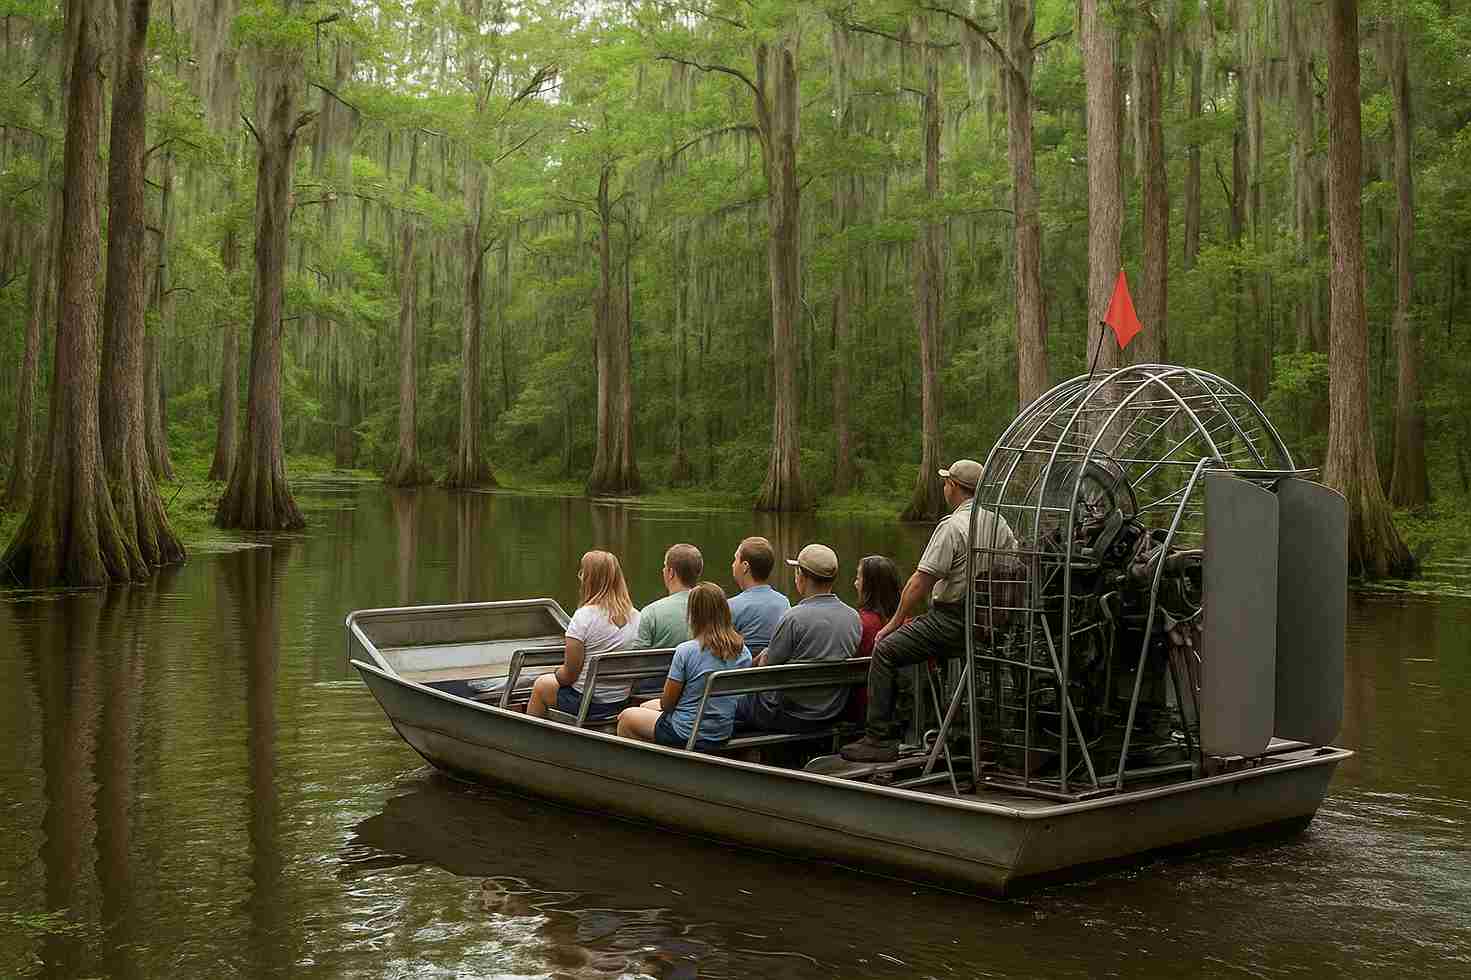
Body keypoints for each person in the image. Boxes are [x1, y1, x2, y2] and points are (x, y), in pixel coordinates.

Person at [841, 459, 1016, 763]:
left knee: (886, 650)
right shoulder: (999, 523)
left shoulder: (952, 526)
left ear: (954, 487)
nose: (944, 487)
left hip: (953, 619)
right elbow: (1013, 567)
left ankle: (879, 738)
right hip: (988, 621)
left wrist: (892, 624)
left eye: (946, 482)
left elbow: (919, 582)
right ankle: (955, 728)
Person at [735, 543, 861, 733]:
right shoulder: (853, 617)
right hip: (832, 712)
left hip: (791, 715)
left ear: (801, 576)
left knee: (731, 699)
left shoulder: (793, 618)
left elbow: (768, 670)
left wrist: (761, 658)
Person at [616, 582, 753, 749]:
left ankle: (652, 762)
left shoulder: (686, 651)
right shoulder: (743, 652)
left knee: (626, 717)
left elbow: (667, 704)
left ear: (693, 614)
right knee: (645, 706)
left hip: (686, 732)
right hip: (721, 730)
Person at [527, 550, 641, 720]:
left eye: (583, 573)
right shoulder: (637, 617)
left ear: (589, 579)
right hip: (621, 701)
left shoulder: (584, 617)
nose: (580, 577)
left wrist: (556, 672)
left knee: (541, 685)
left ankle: (531, 734)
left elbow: (569, 675)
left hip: (587, 704)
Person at [726, 536, 790, 654]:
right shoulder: (783, 603)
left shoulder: (730, 606)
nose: (733, 565)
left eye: (736, 559)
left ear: (745, 566)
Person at [636, 543, 703, 648]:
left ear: (671, 573)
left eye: (665, 566)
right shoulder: (713, 608)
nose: (663, 570)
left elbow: (638, 655)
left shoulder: (651, 613)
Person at [854, 555, 902, 657]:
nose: (855, 584)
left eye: (858, 579)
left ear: (869, 585)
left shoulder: (859, 623)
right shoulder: (906, 622)